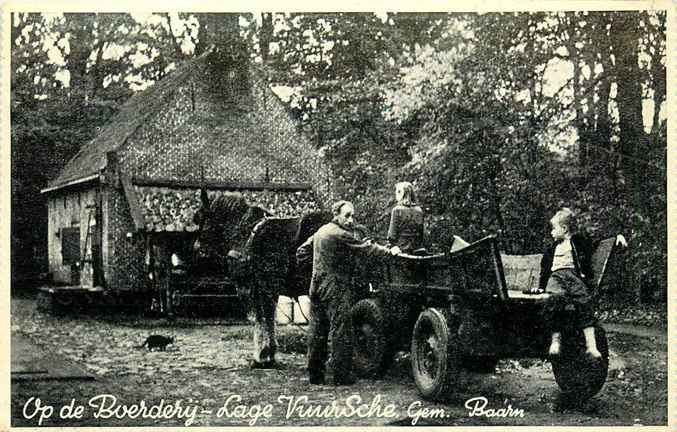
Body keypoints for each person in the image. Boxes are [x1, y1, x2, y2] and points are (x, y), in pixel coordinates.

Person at [296, 200, 400, 385]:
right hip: (334, 287)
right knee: (341, 328)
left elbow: (301, 251)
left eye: (353, 216)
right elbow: (366, 249)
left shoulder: (321, 231)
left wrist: (315, 269)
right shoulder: (340, 234)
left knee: (317, 330)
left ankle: (315, 375)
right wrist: (389, 252)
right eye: (347, 215)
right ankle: (341, 375)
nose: (351, 220)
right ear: (336, 215)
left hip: (316, 286)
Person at [535, 208, 626, 359]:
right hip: (556, 278)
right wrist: (541, 287)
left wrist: (618, 236)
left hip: (573, 277)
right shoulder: (552, 248)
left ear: (564, 229)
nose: (551, 232)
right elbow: (545, 269)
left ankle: (591, 346)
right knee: (555, 299)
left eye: (553, 228)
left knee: (584, 301)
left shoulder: (577, 241)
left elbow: (597, 243)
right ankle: (555, 340)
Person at [387, 181, 424, 252]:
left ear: (401, 193)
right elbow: (421, 235)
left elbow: (391, 235)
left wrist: (392, 245)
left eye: (397, 192)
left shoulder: (397, 210)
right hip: (416, 248)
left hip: (401, 247)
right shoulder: (419, 210)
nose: (395, 194)